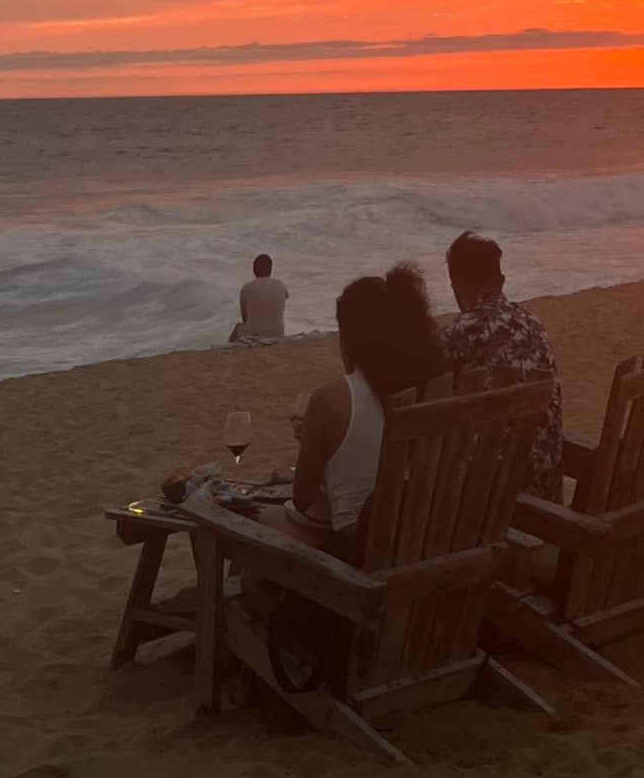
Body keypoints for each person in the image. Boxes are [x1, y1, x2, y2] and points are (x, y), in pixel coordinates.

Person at [270, 263, 443, 554]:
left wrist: (316, 444)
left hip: (360, 562)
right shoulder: (435, 388)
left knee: (254, 518)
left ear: (352, 338)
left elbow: (302, 499)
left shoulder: (331, 399)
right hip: (430, 543)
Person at [439, 230, 564, 498]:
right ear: (502, 281)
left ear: (456, 285)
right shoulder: (534, 324)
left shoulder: (463, 331)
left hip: (497, 489)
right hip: (544, 479)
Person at [228, 251, 290, 341]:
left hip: (254, 335)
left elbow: (245, 318)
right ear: (271, 269)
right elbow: (283, 300)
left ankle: (229, 349)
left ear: (254, 270)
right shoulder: (281, 285)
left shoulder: (247, 288)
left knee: (238, 327)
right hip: (278, 333)